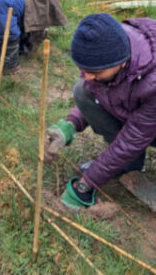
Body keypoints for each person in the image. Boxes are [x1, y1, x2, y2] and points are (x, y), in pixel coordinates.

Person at [45, 14, 156, 211]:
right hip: (144, 119)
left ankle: (123, 163)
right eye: (84, 69)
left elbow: (133, 137)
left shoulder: (151, 81)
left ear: (122, 62)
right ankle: (126, 165)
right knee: (82, 90)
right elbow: (98, 94)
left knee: (132, 141)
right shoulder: (108, 47)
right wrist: (70, 124)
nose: (87, 76)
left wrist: (86, 183)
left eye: (95, 72)